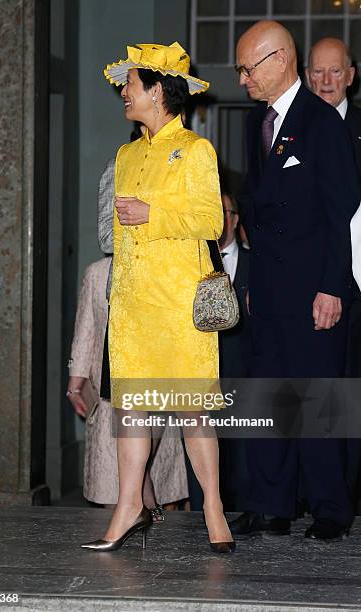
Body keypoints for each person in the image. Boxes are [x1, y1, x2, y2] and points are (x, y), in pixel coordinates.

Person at [80, 41, 234, 553]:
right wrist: (114, 304)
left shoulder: (195, 151)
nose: (123, 92)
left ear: (158, 91)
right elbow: (120, 239)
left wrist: (154, 214)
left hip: (178, 304)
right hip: (133, 307)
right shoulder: (125, 155)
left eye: (131, 84)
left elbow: (211, 221)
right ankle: (129, 506)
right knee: (132, 413)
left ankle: (212, 504)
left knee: (193, 412)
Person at [231, 21, 360, 541]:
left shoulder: (323, 123)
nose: (242, 79)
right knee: (268, 399)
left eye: (247, 68)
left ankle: (331, 508)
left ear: (280, 59)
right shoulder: (253, 124)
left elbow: (342, 214)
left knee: (317, 401)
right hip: (268, 291)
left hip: (314, 292)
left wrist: (333, 287)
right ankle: (270, 504)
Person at [67, 257, 188, 511]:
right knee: (111, 478)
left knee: (147, 457)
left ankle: (144, 501)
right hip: (107, 382)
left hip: (156, 381)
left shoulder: (168, 265)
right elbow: (86, 328)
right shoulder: (97, 273)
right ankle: (131, 511)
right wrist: (76, 380)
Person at [307, 37, 361, 510]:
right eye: (317, 72)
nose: (326, 81)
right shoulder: (295, 127)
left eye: (334, 72)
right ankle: (332, 499)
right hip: (322, 288)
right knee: (330, 399)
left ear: (351, 75)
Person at [185, 192, 251, 511]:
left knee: (244, 453)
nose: (217, 219)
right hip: (201, 374)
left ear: (235, 219)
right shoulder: (190, 265)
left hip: (246, 377)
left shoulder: (259, 264)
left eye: (223, 212)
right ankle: (203, 513)